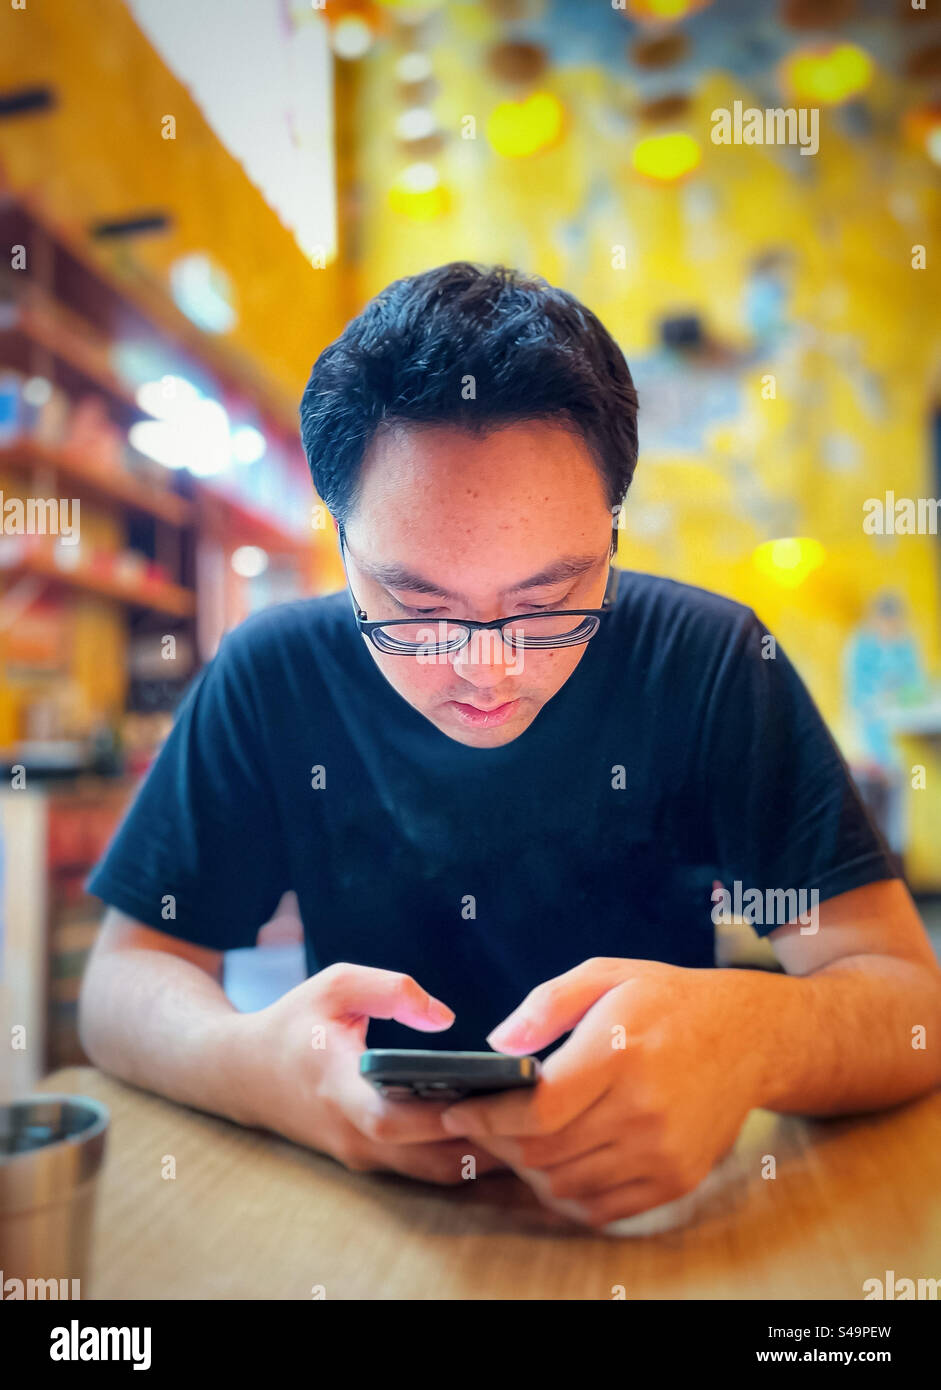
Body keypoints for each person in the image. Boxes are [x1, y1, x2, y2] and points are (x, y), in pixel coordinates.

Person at [79, 264, 941, 1228]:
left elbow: (909, 1002)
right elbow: (122, 980)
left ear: (612, 534)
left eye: (545, 604)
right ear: (342, 544)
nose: (486, 670)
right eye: (415, 608)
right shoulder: (272, 671)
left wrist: (751, 1036)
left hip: (656, 1216)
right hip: (364, 1218)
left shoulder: (706, 661)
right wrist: (262, 1072)